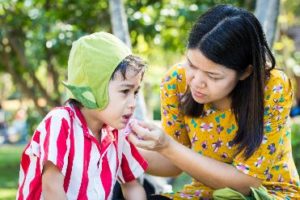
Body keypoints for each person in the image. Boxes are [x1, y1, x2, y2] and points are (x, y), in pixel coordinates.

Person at [129, 5, 300, 200]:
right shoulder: (176, 82)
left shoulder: (271, 87)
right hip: (204, 194)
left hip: (266, 194)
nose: (196, 81)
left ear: (246, 72)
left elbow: (248, 184)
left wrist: (167, 146)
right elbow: (173, 164)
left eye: (213, 76)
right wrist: (120, 149)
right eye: (191, 65)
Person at [17, 32, 148, 200]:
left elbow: (132, 187)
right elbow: (52, 187)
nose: (133, 103)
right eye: (125, 91)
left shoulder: (117, 133)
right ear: (93, 88)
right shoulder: (60, 121)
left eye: (135, 92)